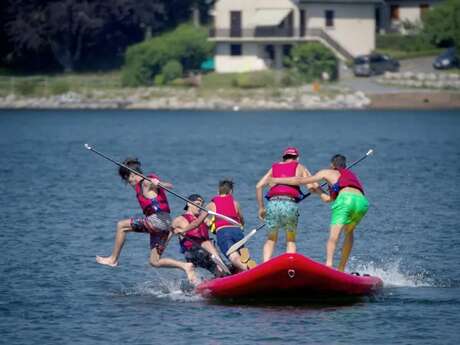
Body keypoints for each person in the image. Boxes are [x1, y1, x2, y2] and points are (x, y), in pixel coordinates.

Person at [95, 157, 198, 284]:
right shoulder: (138, 186)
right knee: (154, 261)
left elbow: (169, 186)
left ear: (133, 175)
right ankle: (185, 266)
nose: (128, 182)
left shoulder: (146, 181)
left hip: (158, 221)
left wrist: (157, 183)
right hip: (164, 225)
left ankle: (113, 259)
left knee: (121, 226)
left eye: (127, 178)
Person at [268, 154, 369, 272]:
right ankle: (341, 268)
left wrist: (276, 180)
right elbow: (328, 199)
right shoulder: (351, 175)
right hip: (362, 202)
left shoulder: (327, 172)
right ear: (344, 165)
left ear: (332, 165)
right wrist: (318, 190)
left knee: (334, 236)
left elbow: (299, 180)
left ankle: (329, 265)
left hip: (345, 199)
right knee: (349, 232)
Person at [179, 179, 256, 273]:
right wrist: (241, 227)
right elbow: (242, 220)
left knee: (233, 257)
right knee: (240, 256)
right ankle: (244, 266)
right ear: (231, 191)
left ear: (218, 191)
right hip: (238, 232)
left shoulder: (211, 205)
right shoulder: (235, 203)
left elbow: (196, 223)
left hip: (224, 233)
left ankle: (251, 270)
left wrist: (183, 230)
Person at [256, 147, 316, 262]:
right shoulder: (300, 167)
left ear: (284, 158)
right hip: (289, 204)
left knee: (271, 239)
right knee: (290, 240)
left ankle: (266, 265)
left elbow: (258, 186)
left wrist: (261, 208)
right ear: (297, 158)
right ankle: (290, 265)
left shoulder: (274, 168)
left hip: (273, 204)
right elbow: (311, 187)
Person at [172, 194, 227, 277]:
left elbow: (215, 230)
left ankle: (221, 275)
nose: (200, 207)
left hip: (206, 254)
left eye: (201, 205)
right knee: (207, 243)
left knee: (221, 273)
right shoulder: (179, 220)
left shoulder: (203, 219)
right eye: (197, 204)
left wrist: (217, 225)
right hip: (192, 253)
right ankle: (223, 266)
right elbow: (167, 235)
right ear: (189, 203)